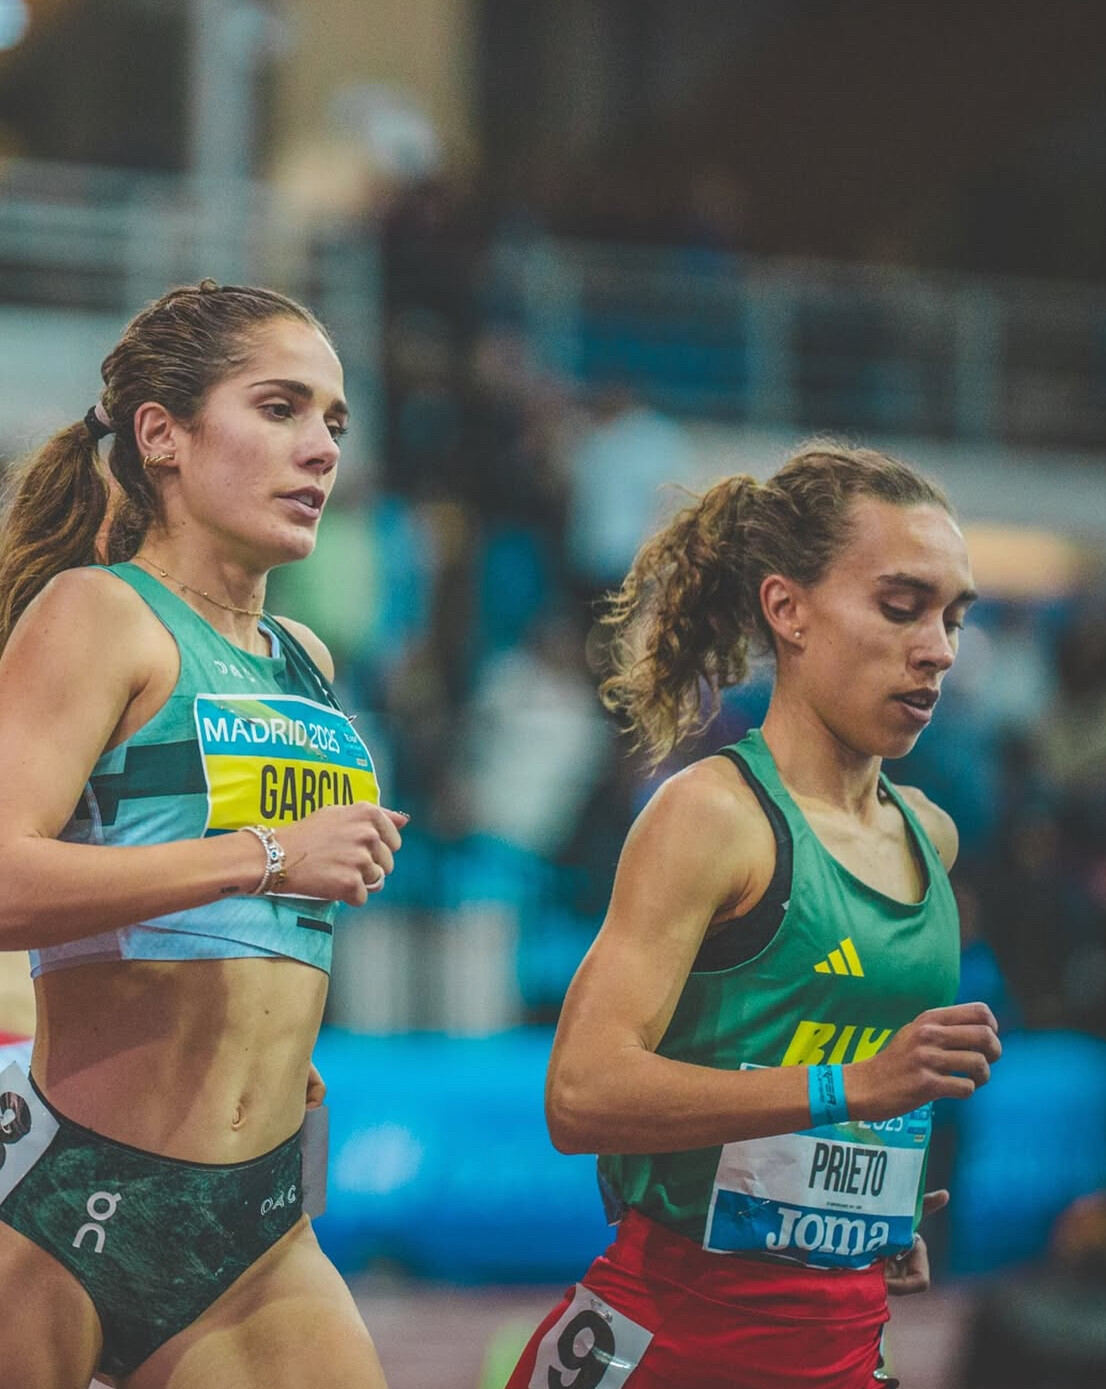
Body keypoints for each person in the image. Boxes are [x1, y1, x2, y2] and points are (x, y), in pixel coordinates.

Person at [503, 442, 1002, 1389]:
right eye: (901, 606)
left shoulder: (929, 837)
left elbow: (818, 1089)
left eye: (953, 616)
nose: (937, 647)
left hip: (841, 1342)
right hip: (667, 1343)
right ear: (788, 608)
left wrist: (861, 1214)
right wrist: (850, 1090)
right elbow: (580, 1094)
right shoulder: (712, 818)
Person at [0, 281, 406, 1388]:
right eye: (279, 408)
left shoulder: (305, 660)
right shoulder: (100, 613)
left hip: (254, 1221)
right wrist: (272, 857)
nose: (321, 449)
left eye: (334, 422)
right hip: (60, 1197)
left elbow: (241, 915)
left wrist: (269, 1034)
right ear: (162, 435)